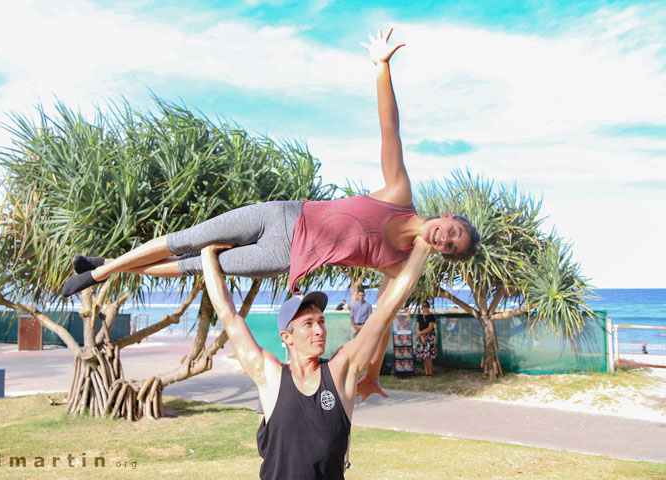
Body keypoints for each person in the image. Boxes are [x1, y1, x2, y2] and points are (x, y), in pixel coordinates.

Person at [60, 27, 480, 300]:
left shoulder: (396, 262)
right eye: (453, 231)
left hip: (283, 255)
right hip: (281, 214)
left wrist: (368, 370)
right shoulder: (398, 196)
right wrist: (382, 68)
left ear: (442, 253)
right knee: (187, 238)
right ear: (448, 217)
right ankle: (101, 273)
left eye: (450, 247)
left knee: (196, 266)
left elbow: (390, 308)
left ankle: (105, 269)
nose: (445, 238)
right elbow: (391, 130)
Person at [200, 234, 432, 479]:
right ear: (287, 337)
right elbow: (229, 316)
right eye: (308, 324)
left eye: (321, 321)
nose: (320, 330)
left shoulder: (341, 371)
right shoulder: (271, 375)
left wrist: (422, 249)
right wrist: (207, 254)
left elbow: (385, 312)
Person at [414, 300, 437, 376]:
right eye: (423, 306)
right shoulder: (420, 317)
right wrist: (421, 336)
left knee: (429, 356)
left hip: (429, 336)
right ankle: (426, 372)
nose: (424, 308)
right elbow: (417, 327)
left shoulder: (431, 317)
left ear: (428, 307)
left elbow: (430, 328)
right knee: (423, 356)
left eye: (426, 306)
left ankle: (430, 372)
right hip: (421, 337)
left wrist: (421, 333)